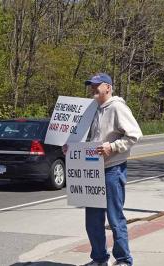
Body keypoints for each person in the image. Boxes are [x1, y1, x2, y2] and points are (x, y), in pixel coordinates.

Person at [64, 73, 142, 266]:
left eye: (97, 85)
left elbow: (134, 135)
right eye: (91, 85)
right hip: (91, 172)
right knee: (92, 221)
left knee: (115, 218)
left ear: (108, 87)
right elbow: (85, 138)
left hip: (112, 170)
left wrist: (112, 147)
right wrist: (71, 147)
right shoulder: (92, 109)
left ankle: (123, 260)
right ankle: (99, 259)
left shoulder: (117, 107)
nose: (93, 88)